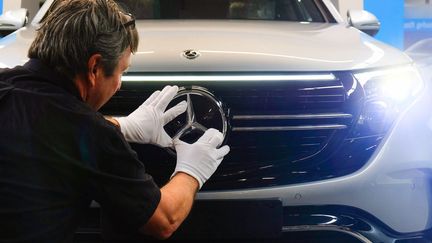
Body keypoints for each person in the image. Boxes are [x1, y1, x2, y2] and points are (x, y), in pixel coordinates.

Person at [0, 0, 229, 242]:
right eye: (121, 72)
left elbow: (44, 124)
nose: (119, 84)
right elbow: (164, 220)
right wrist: (192, 171)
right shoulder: (91, 133)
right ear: (95, 67)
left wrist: (121, 125)